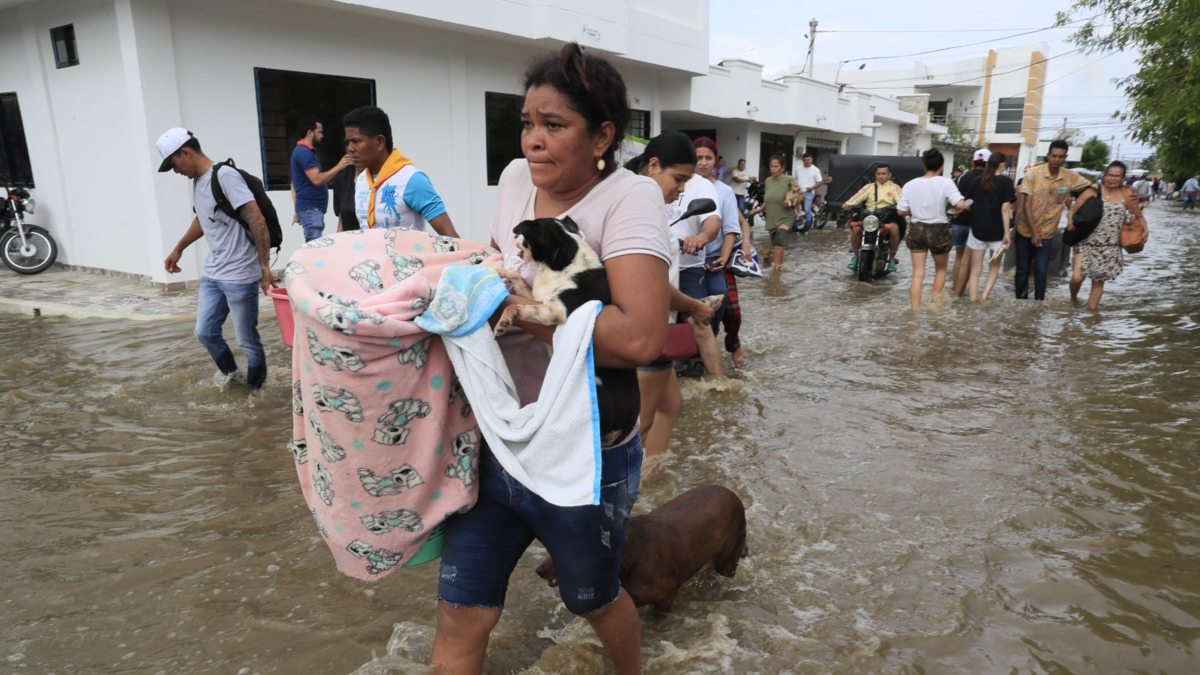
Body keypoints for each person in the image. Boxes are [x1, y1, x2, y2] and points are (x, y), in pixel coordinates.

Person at [430, 43, 671, 675]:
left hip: (584, 445)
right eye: (528, 125)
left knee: (592, 598)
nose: (533, 141)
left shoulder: (629, 200)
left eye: (555, 126)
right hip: (502, 433)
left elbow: (642, 340)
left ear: (603, 136)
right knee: (463, 611)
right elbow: (499, 271)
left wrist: (529, 312)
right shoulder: (515, 180)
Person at [624, 132, 718, 469]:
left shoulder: (642, 205)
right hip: (645, 330)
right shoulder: (640, 213)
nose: (681, 189)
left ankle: (653, 479)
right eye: (678, 179)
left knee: (670, 405)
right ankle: (630, 498)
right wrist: (694, 306)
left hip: (652, 330)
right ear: (653, 165)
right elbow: (653, 287)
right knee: (639, 424)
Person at [157, 128, 273, 389]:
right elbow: (203, 218)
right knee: (205, 332)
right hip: (213, 273)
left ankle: (255, 394)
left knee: (247, 341)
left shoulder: (226, 176)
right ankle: (234, 379)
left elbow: (256, 219)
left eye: (173, 164)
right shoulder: (199, 182)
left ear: (185, 152)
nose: (175, 171)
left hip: (240, 275)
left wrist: (264, 267)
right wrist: (179, 248)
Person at [343, 106, 459, 236]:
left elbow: (451, 238)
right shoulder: (362, 180)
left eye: (356, 142)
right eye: (348, 143)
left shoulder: (412, 179)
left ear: (380, 142)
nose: (350, 149)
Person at [668, 145, 723, 377]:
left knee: (699, 318)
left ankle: (719, 383)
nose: (679, 187)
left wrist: (700, 237)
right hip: (654, 263)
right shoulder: (645, 185)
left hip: (687, 265)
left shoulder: (702, 185)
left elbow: (713, 220)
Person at [1015, 140, 1092, 300]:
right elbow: (1026, 206)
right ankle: (1020, 304)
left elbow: (1092, 187)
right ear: (1048, 155)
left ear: (1065, 157)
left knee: (1041, 271)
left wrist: (1075, 210)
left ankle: (1038, 306)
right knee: (1022, 270)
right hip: (1025, 230)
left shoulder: (1069, 177)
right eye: (1054, 156)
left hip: (1047, 233)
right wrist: (1034, 233)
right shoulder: (1033, 174)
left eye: (1060, 156)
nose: (1056, 159)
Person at [1068, 161, 1148, 310]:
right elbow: (1073, 210)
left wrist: (1145, 229)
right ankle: (1073, 298)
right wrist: (1069, 222)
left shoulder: (1127, 193)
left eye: (1117, 176)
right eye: (1110, 175)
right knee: (1077, 277)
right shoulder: (1093, 190)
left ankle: (1091, 317)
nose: (1112, 178)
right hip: (1086, 241)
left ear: (1123, 177)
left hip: (1110, 245)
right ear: (1104, 175)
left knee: (1098, 281)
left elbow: (1138, 215)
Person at [694, 137, 743, 373]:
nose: (703, 163)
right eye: (698, 157)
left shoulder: (724, 191)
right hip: (682, 259)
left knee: (729, 305)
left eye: (708, 158)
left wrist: (724, 258)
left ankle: (729, 343)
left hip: (714, 259)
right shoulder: (679, 186)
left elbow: (731, 228)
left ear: (716, 161)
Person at [896, 148, 966, 309]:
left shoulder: (910, 184)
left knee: (918, 273)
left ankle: (914, 309)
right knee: (941, 270)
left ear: (924, 166)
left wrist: (915, 209)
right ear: (941, 166)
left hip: (916, 229)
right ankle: (933, 307)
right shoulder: (947, 183)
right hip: (939, 230)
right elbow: (960, 204)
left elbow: (900, 211)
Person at [961, 152, 1015, 302]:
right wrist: (1006, 234)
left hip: (977, 232)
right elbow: (1005, 209)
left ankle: (972, 301)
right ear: (1003, 165)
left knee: (975, 270)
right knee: (994, 267)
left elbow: (967, 204)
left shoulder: (977, 180)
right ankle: (984, 297)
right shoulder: (1006, 182)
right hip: (998, 236)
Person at [290, 116, 352, 242]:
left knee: (313, 244)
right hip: (311, 209)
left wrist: (297, 209)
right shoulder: (304, 153)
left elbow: (294, 184)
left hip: (309, 208)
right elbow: (317, 180)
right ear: (309, 132)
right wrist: (339, 167)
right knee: (314, 245)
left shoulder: (301, 152)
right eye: (319, 132)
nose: (322, 135)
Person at [843, 163, 904, 272]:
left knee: (895, 229)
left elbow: (901, 199)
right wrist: (848, 203)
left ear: (889, 175)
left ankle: (891, 259)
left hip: (887, 217)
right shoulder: (869, 187)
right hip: (869, 217)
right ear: (875, 175)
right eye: (878, 173)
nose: (881, 176)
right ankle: (855, 257)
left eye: (884, 174)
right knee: (856, 228)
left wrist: (902, 207)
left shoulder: (894, 187)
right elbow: (858, 196)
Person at [951, 150, 989, 296]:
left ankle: (955, 289)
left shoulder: (961, 177)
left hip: (958, 222)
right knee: (971, 262)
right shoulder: (987, 179)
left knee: (959, 258)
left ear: (973, 162)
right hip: (976, 224)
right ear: (987, 164)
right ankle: (963, 291)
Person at [749, 154, 792, 268]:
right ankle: (780, 268)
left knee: (778, 241)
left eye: (776, 166)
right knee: (776, 246)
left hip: (786, 218)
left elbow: (801, 195)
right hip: (772, 218)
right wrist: (758, 210)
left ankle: (775, 275)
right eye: (771, 166)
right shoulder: (768, 181)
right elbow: (768, 200)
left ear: (782, 167)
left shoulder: (789, 179)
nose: (773, 169)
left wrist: (790, 200)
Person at [792, 152, 823, 233]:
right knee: (795, 210)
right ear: (803, 160)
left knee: (807, 210)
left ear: (812, 159)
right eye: (806, 160)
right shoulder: (798, 168)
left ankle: (806, 228)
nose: (807, 161)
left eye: (809, 159)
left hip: (808, 192)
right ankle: (794, 228)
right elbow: (793, 180)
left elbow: (819, 182)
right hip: (798, 192)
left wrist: (812, 188)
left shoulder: (815, 170)